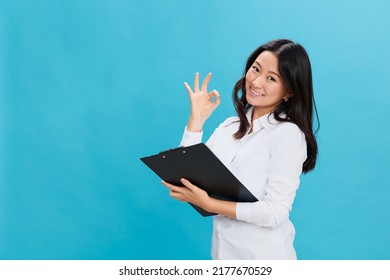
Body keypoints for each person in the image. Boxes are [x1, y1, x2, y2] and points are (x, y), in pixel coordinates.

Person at [162, 39, 319, 260]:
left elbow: (276, 212)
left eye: (271, 78)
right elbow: (189, 173)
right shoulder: (228, 127)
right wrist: (196, 120)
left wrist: (210, 204)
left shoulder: (288, 134)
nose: (256, 81)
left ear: (289, 93)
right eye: (255, 69)